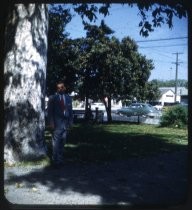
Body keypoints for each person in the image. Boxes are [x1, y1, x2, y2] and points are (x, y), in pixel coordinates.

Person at [47, 81, 73, 167]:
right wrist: (51, 123)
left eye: (61, 87)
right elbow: (50, 112)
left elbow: (70, 111)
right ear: (57, 89)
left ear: (64, 88)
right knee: (56, 143)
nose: (60, 89)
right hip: (56, 124)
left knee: (63, 142)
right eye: (58, 88)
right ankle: (55, 161)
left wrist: (70, 122)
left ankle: (60, 159)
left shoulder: (68, 98)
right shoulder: (53, 98)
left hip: (65, 124)